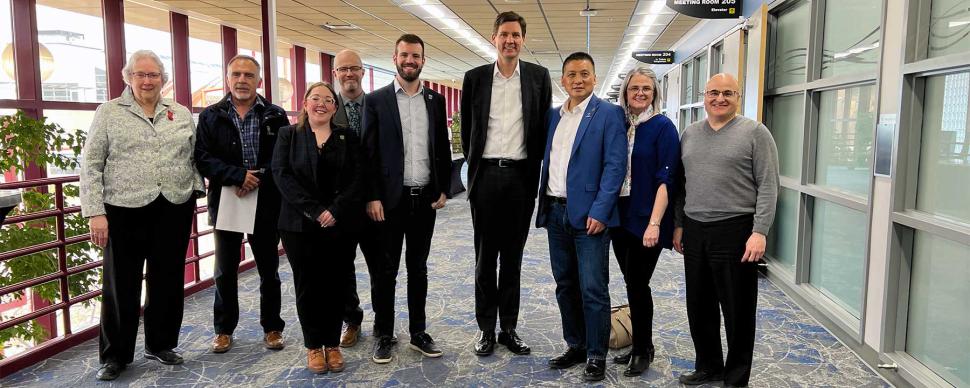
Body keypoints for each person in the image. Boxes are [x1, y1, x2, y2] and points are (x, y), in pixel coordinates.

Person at [80, 49, 204, 381]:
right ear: (128, 78)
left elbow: (192, 158)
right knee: (121, 285)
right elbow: (90, 165)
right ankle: (115, 355)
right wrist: (95, 212)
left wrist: (194, 193)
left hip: (172, 207)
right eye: (140, 74)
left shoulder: (179, 112)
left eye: (153, 75)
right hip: (122, 210)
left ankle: (161, 343)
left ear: (163, 79)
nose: (147, 81)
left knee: (167, 279)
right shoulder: (108, 112)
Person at [673, 73, 779, 388]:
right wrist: (679, 224)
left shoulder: (755, 133)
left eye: (728, 93)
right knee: (700, 304)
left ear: (737, 97)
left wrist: (760, 231)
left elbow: (769, 186)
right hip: (695, 229)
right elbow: (682, 184)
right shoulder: (690, 133)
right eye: (714, 93)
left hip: (736, 230)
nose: (720, 98)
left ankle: (736, 377)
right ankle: (709, 366)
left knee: (738, 309)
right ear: (704, 96)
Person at [460, 11, 552, 357]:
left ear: (523, 39)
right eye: (504, 34)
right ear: (493, 38)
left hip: (520, 179)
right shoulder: (475, 78)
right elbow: (469, 128)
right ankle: (485, 329)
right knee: (485, 258)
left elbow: (542, 126)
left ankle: (508, 329)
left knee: (513, 258)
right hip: (484, 177)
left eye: (515, 35)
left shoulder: (539, 77)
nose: (510, 40)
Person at [535, 52, 627, 382]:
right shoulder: (553, 117)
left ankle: (596, 353)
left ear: (595, 78)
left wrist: (601, 211)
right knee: (565, 285)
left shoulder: (609, 114)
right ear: (562, 80)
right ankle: (575, 344)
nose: (578, 79)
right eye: (571, 74)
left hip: (590, 216)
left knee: (593, 288)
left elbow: (616, 166)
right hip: (555, 211)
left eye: (585, 74)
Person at [362, 34, 451, 364]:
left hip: (423, 200)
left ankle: (418, 332)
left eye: (415, 55)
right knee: (386, 271)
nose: (409, 60)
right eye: (404, 55)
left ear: (423, 60)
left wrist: (444, 187)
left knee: (419, 268)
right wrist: (371, 196)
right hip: (388, 201)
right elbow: (368, 154)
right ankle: (384, 333)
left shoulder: (435, 100)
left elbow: (440, 146)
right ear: (394, 58)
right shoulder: (377, 100)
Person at [195, 54, 290, 354]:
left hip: (266, 201)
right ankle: (223, 330)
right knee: (225, 270)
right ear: (227, 78)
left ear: (259, 81)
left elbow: (283, 157)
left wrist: (256, 178)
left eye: (249, 75)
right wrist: (237, 176)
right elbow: (203, 158)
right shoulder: (210, 116)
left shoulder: (275, 114)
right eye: (236, 74)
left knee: (268, 269)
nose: (242, 80)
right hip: (228, 200)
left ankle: (272, 327)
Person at [272, 81, 364, 374]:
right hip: (299, 224)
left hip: (338, 224)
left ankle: (332, 344)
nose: (321, 104)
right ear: (305, 103)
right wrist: (315, 211)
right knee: (308, 286)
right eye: (315, 98)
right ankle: (314, 346)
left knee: (335, 284)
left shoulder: (346, 137)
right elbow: (282, 175)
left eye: (328, 99)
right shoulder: (289, 135)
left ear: (335, 108)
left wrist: (334, 211)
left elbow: (356, 179)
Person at [608, 67, 680, 376]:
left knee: (638, 283)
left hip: (648, 219)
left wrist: (654, 224)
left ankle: (641, 350)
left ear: (654, 94)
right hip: (619, 217)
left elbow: (667, 179)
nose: (640, 93)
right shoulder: (619, 124)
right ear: (625, 92)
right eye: (634, 88)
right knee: (631, 282)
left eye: (646, 89)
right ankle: (644, 344)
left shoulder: (663, 127)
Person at [330, 49, 380, 348]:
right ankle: (352, 320)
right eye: (343, 69)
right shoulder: (325, 108)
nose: (349, 74)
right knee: (342, 268)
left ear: (363, 72)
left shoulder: (378, 106)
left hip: (377, 204)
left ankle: (383, 322)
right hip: (342, 206)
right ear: (335, 74)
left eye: (354, 69)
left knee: (381, 267)